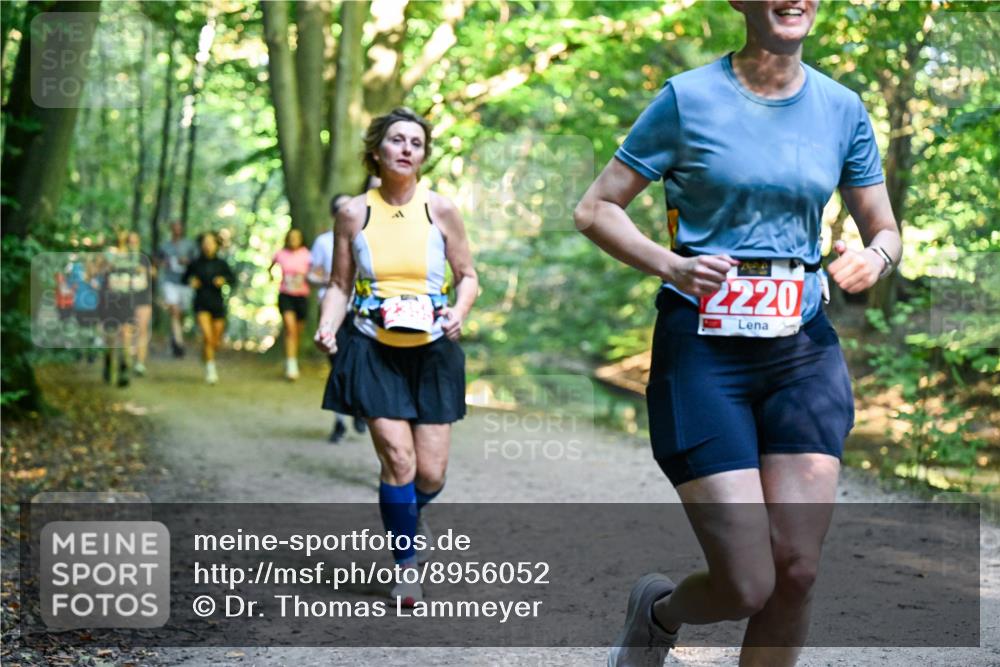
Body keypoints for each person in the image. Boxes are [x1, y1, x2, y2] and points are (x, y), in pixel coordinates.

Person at [573, 2, 903, 666]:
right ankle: (659, 613)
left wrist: (878, 258)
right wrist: (671, 264)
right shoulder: (687, 100)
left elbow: (886, 230)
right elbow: (595, 207)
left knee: (798, 571)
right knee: (747, 582)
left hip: (802, 355)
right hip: (702, 354)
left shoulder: (842, 108)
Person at [315, 107, 478, 607]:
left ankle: (408, 512)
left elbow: (468, 276)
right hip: (371, 348)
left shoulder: (441, 210)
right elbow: (340, 284)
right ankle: (406, 565)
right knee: (399, 459)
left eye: (417, 142)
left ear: (424, 156)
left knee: (430, 473)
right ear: (377, 151)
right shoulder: (353, 213)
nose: (407, 148)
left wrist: (460, 312)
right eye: (397, 140)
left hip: (432, 352)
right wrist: (328, 323)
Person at [309, 193, 367, 442]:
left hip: (363, 311)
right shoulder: (323, 242)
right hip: (333, 312)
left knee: (361, 366)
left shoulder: (368, 237)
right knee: (338, 366)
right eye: (344, 208)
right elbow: (311, 275)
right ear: (335, 214)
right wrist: (333, 283)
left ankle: (360, 410)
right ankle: (340, 421)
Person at [183, 232, 235, 385]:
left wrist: (223, 280)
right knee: (207, 335)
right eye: (205, 242)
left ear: (216, 245)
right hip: (201, 303)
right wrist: (192, 281)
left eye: (211, 242)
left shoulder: (221, 264)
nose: (207, 245)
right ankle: (211, 370)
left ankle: (206, 355)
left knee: (215, 340)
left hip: (217, 303)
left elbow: (232, 279)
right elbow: (185, 278)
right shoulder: (195, 263)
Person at [269, 228, 312, 380]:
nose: (294, 240)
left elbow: (316, 271)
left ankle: (292, 358)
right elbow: (270, 266)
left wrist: (307, 277)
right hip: (286, 296)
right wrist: (272, 278)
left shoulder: (307, 254)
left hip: (301, 297)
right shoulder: (281, 254)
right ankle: (291, 366)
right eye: (291, 237)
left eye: (297, 237)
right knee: (290, 329)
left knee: (297, 333)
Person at [158, 221, 198, 357]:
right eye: (174, 227)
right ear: (171, 229)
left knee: (181, 313)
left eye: (179, 227)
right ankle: (179, 343)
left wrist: (187, 261)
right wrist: (165, 263)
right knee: (174, 310)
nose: (176, 230)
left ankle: (174, 338)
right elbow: (157, 261)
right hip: (170, 282)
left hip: (185, 283)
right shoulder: (165, 246)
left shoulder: (189, 245)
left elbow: (196, 260)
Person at [126, 231, 153, 376]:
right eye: (130, 241)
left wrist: (145, 271)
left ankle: (140, 363)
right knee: (127, 329)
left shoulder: (145, 257)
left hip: (143, 297)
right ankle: (127, 358)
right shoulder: (121, 258)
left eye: (135, 241)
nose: (132, 244)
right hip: (125, 298)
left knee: (142, 329)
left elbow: (153, 273)